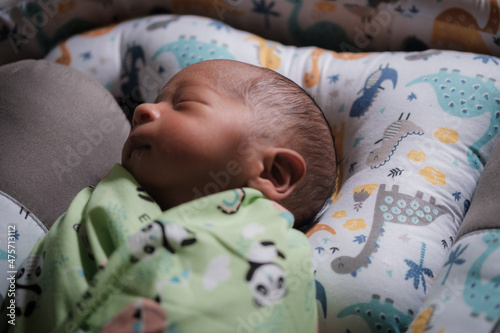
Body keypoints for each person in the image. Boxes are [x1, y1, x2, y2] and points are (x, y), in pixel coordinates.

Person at [2, 59, 336, 333]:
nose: (143, 109)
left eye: (183, 104)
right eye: (156, 99)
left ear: (273, 173)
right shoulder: (115, 194)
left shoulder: (263, 245)